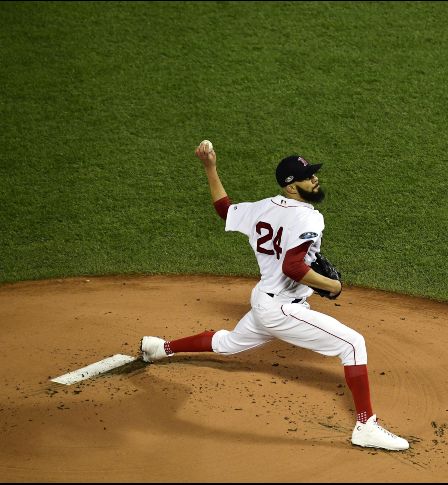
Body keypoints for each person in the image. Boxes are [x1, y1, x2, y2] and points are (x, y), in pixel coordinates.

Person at [139, 140, 409, 451]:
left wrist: (210, 167)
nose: (315, 179)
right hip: (281, 308)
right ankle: (365, 425)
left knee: (227, 344)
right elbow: (293, 267)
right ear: (291, 187)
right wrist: (331, 286)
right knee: (353, 344)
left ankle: (161, 348)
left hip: (264, 301)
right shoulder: (309, 218)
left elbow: (225, 210)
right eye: (308, 176)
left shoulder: (263, 207)